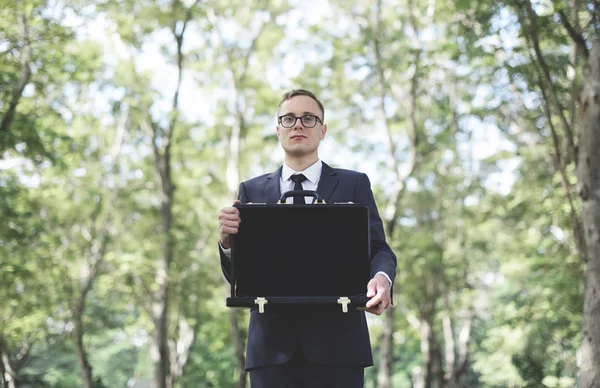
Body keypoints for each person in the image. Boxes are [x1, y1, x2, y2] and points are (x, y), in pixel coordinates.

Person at [218, 89, 396, 388]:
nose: (298, 125)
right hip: (270, 353)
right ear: (278, 129)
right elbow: (239, 277)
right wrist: (226, 242)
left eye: (308, 118)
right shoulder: (251, 191)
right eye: (289, 118)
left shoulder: (354, 184)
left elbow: (379, 248)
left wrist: (381, 278)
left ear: (322, 130)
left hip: (340, 349)